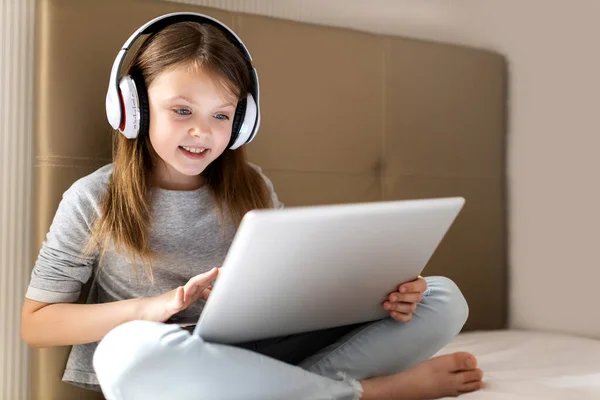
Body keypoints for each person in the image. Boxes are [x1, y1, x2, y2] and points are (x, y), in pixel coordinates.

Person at [21, 12, 483, 400]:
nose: (202, 131)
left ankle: (295, 389)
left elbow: (292, 282)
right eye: (182, 111)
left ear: (241, 123)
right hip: (176, 360)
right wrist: (152, 309)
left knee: (441, 298)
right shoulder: (92, 198)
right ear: (132, 108)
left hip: (265, 349)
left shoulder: (252, 187)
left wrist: (382, 294)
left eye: (220, 115)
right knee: (125, 352)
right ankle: (367, 392)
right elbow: (37, 325)